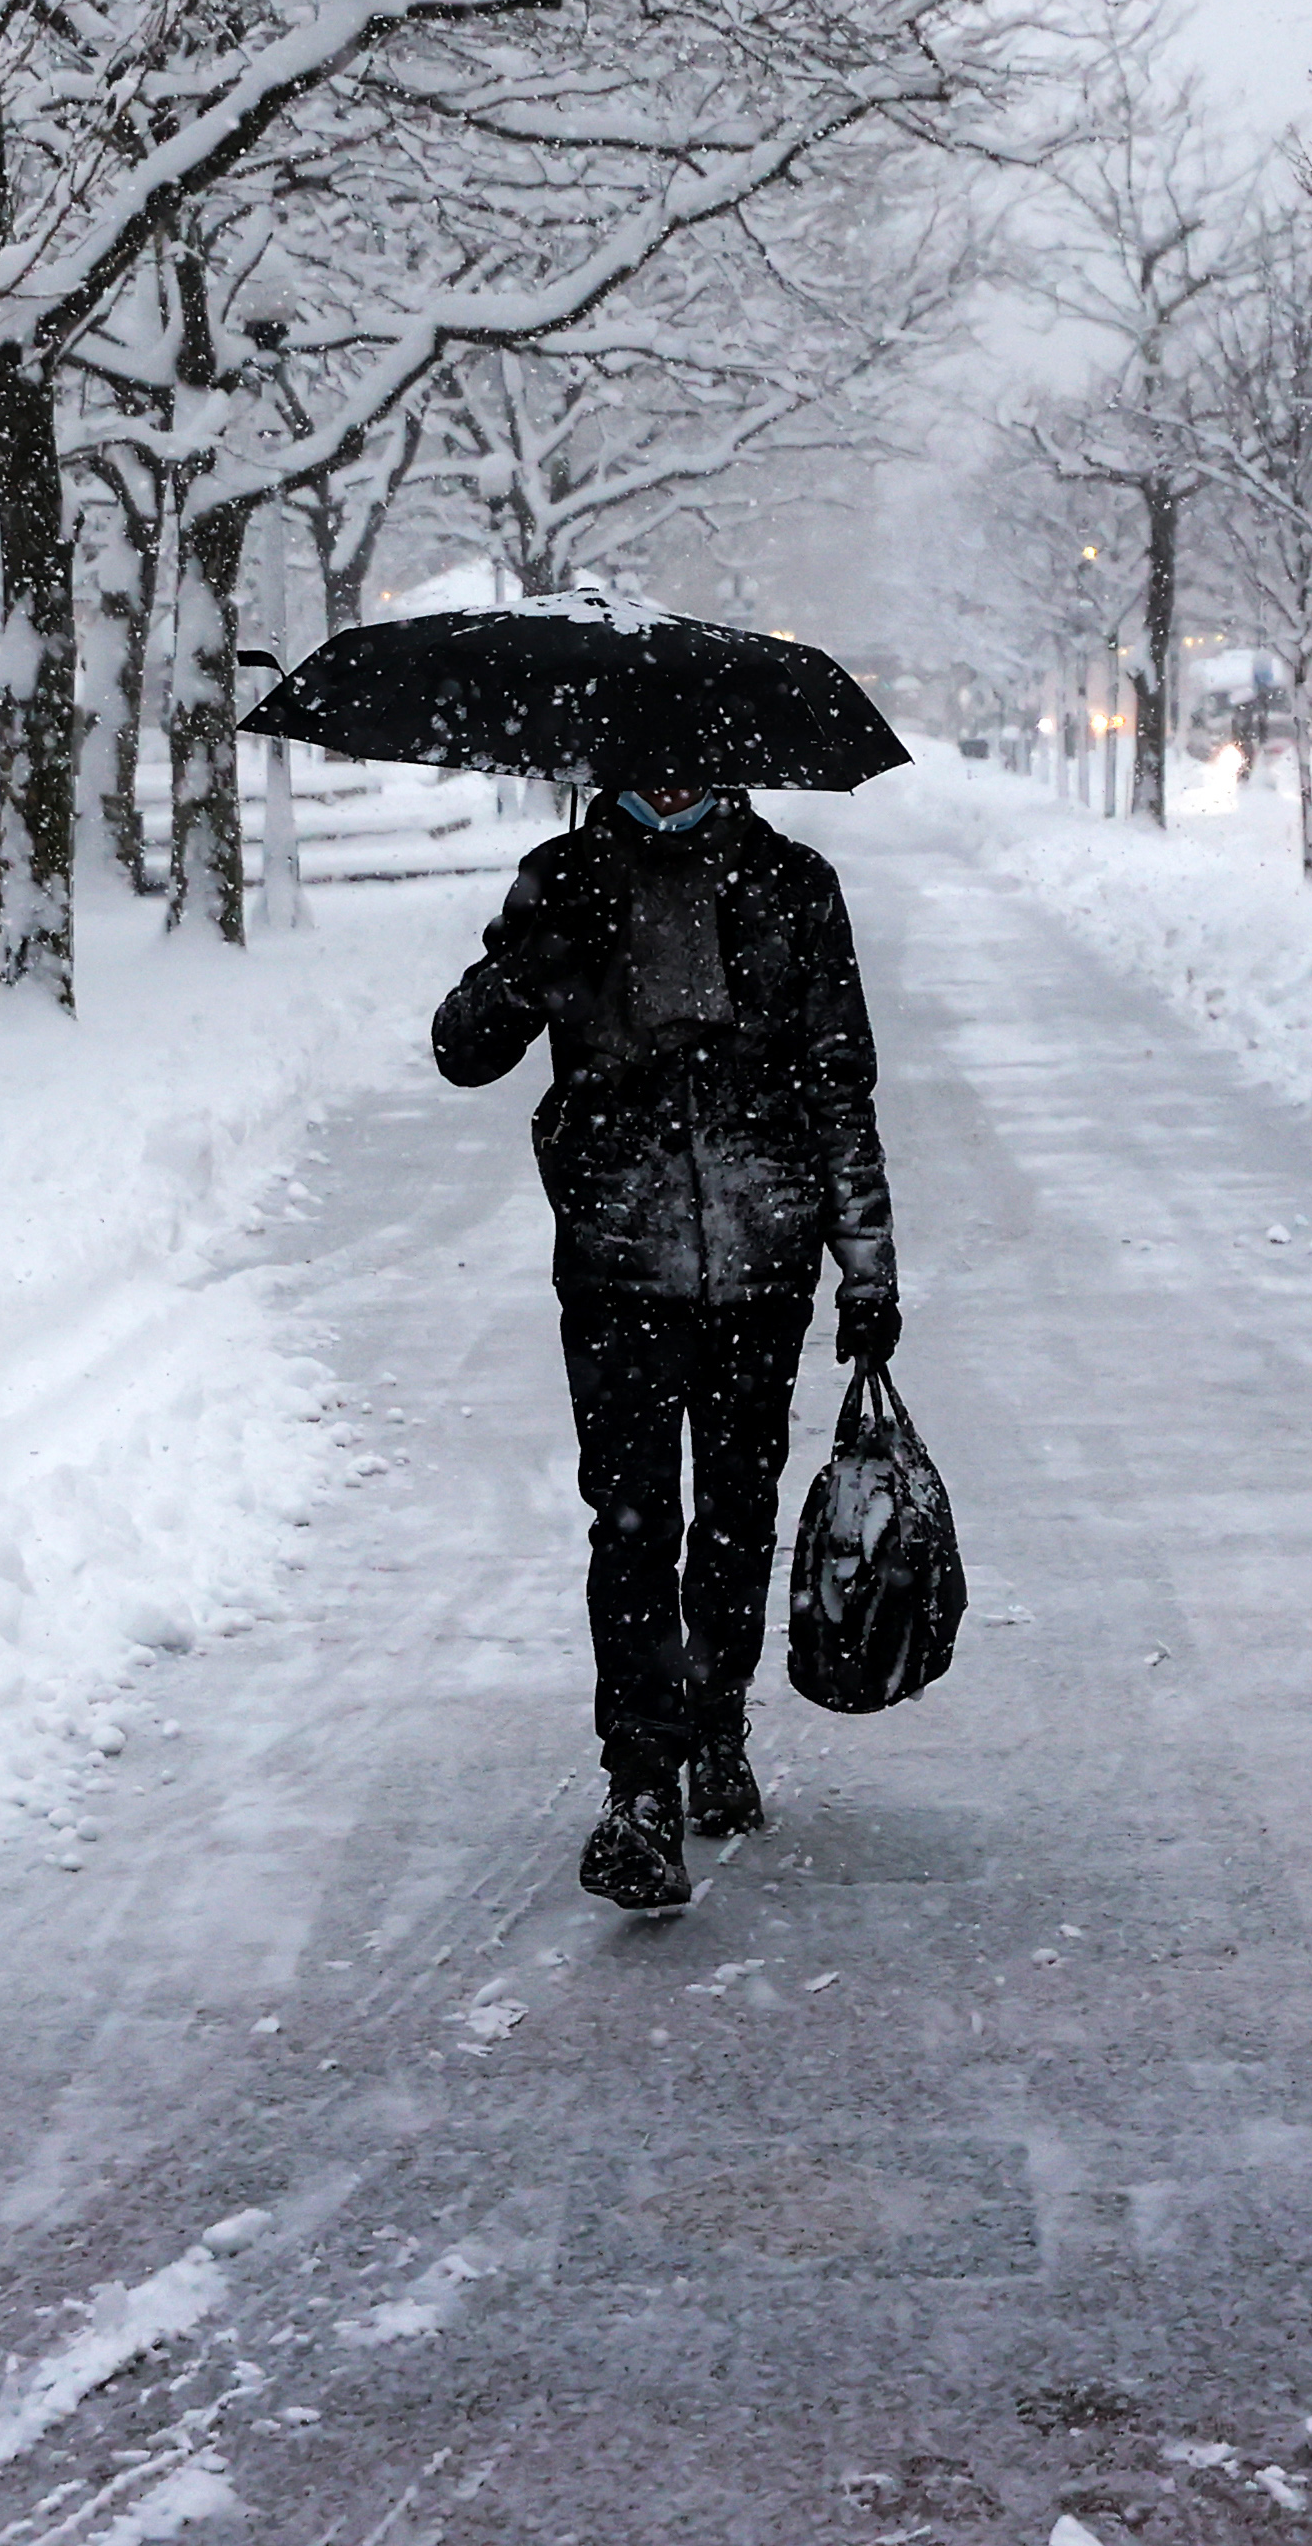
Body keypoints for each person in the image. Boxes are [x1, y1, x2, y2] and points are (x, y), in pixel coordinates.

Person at [432, 769, 901, 1913]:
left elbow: (841, 1084)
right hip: (616, 1261)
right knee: (634, 1521)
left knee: (739, 1509)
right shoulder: (563, 878)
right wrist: (536, 964)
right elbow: (461, 1049)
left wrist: (868, 1263)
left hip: (764, 1259)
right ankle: (640, 1781)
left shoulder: (793, 885)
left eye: (692, 753)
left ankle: (717, 1717)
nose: (672, 774)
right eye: (647, 752)